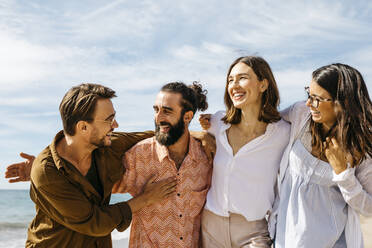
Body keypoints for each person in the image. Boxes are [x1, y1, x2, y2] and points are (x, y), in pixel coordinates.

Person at [5, 83, 177, 248]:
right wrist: (146, 198)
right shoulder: (46, 173)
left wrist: (201, 136)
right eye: (109, 120)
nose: (115, 125)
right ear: (83, 127)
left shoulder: (107, 145)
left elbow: (156, 137)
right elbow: (95, 223)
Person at [274, 63, 372, 247]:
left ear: (342, 103)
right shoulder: (301, 114)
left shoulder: (362, 150)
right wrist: (212, 129)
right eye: (308, 94)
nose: (309, 103)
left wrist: (343, 174)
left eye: (317, 98)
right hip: (284, 240)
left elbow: (368, 208)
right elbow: (265, 125)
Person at [199, 56, 290, 247]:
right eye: (230, 80)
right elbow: (183, 136)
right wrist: (202, 136)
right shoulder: (218, 123)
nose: (234, 85)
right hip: (210, 227)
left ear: (263, 85)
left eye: (242, 78)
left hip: (253, 232)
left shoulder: (283, 132)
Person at [112, 82, 213, 247]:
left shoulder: (206, 159)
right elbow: (99, 197)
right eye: (156, 110)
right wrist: (143, 200)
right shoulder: (139, 156)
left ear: (187, 117)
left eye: (167, 111)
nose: (158, 118)